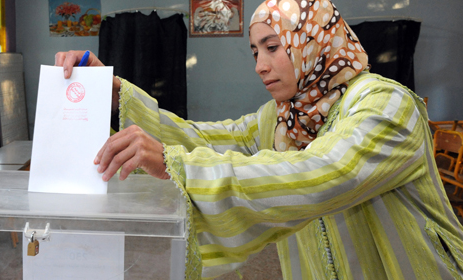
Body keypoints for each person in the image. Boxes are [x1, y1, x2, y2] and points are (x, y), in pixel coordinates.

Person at [56, 0, 463, 279]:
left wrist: (181, 165)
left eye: (273, 47)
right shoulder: (281, 119)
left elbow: (327, 171)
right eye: (255, 52)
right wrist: (114, 94)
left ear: (313, 41)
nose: (260, 66)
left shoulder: (387, 104)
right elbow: (205, 139)